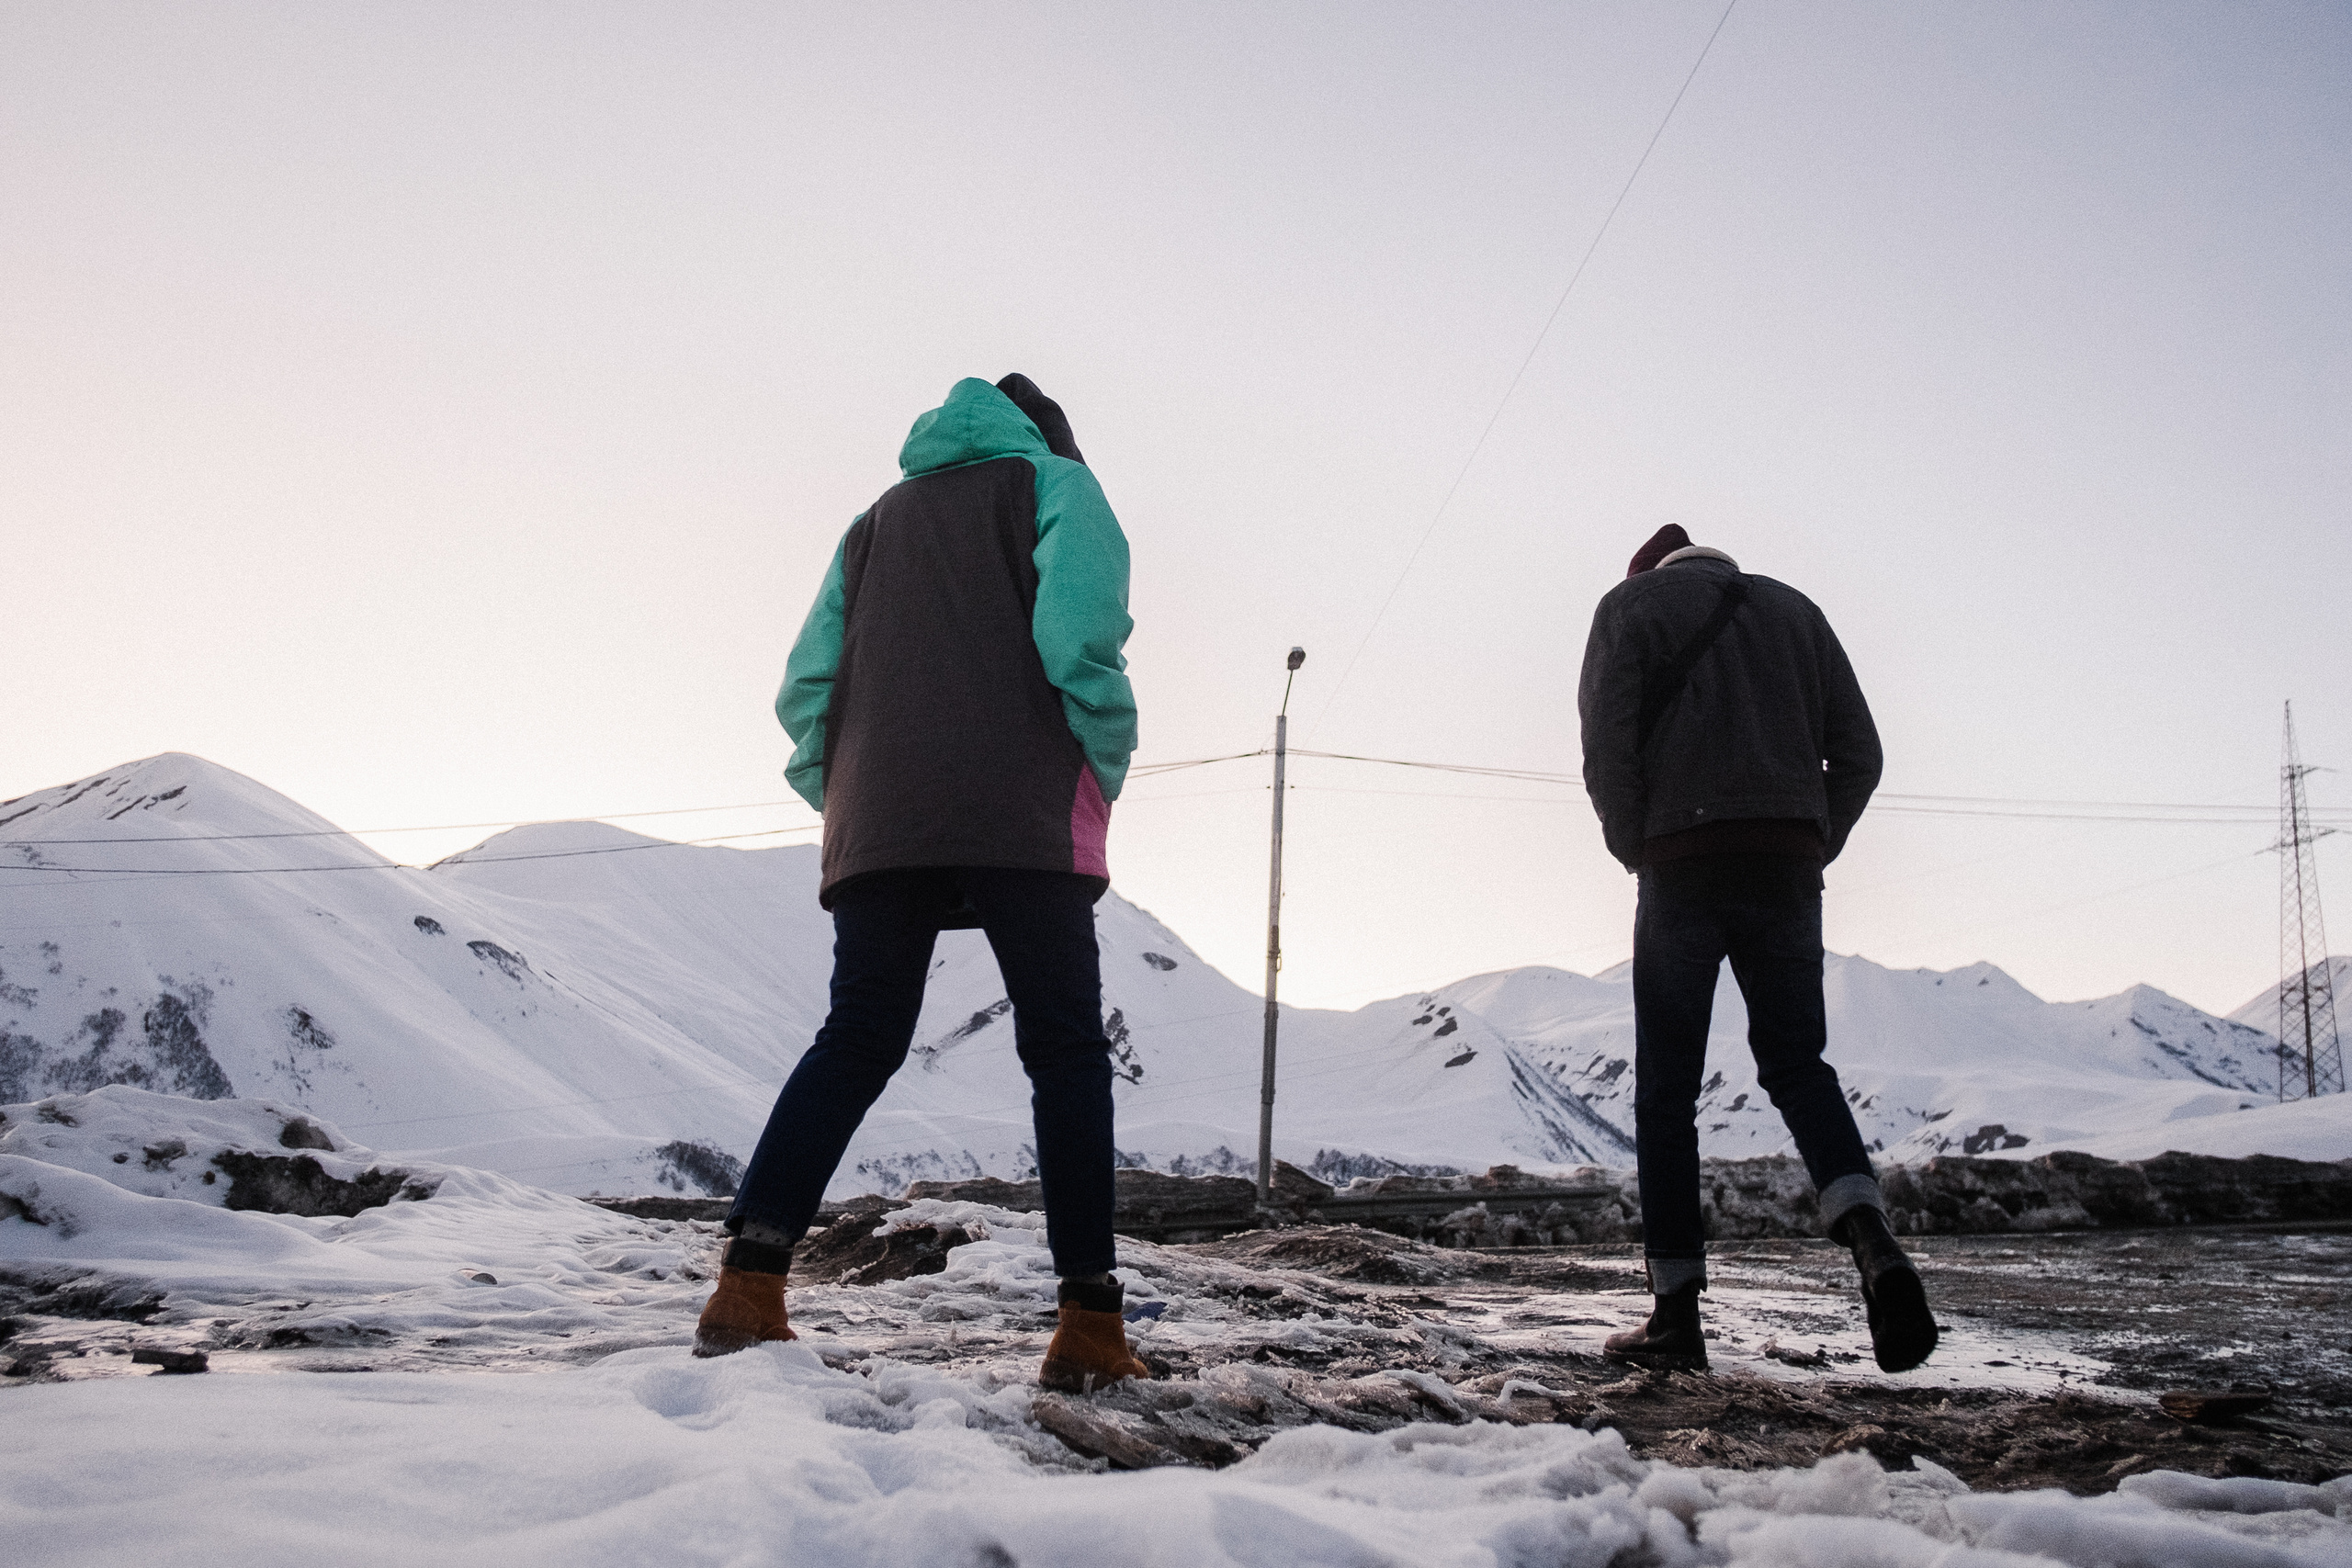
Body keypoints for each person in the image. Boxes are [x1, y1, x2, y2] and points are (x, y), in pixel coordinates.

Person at [693, 374, 1151, 1393]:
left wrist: (847, 794)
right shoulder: (1060, 485)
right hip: (1021, 800)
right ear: (1049, 438)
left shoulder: (872, 523)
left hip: (878, 811)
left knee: (857, 1034)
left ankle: (747, 1287)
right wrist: (1097, 761)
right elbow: (1080, 636)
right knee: (1066, 1047)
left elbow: (806, 681)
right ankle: (1087, 1327)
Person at [1577, 524, 1937, 1374]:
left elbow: (1606, 746)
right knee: (1796, 1064)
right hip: (1786, 867)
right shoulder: (1796, 610)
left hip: (1680, 864)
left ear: (1650, 573)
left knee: (1666, 1090)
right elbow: (1861, 754)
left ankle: (1676, 1317)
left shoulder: (1627, 608)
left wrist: (1640, 845)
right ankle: (1874, 1244)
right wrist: (1810, 840)